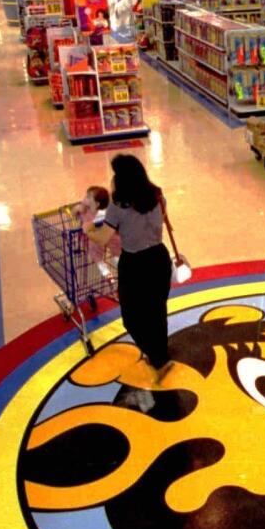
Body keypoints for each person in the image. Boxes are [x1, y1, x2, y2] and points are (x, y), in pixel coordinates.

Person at [85, 155, 177, 378]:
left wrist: (87, 228)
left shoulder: (118, 207)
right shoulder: (157, 195)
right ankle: (160, 355)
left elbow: (103, 237)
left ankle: (158, 359)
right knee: (156, 312)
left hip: (135, 265)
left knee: (132, 317)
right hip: (159, 259)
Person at [75, 185, 121, 278]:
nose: (85, 198)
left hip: (103, 237)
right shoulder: (86, 210)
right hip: (101, 237)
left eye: (88, 197)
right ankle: (105, 268)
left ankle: (112, 266)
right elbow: (74, 212)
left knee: (112, 246)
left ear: (97, 204)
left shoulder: (101, 212)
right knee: (100, 248)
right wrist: (78, 208)